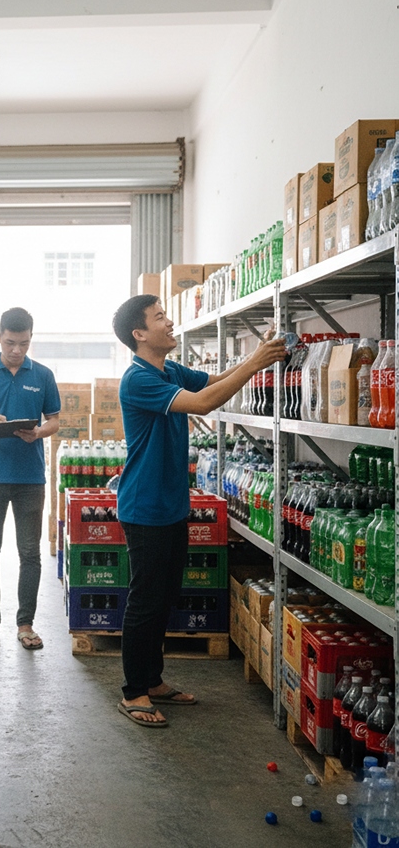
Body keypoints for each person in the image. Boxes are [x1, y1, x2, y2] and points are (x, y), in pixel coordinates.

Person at [111, 294, 285, 726]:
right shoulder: (137, 379)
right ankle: (133, 692)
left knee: (165, 596)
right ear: (139, 333)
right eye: (160, 317)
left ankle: (153, 680)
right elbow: (204, 403)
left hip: (171, 503)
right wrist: (255, 362)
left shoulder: (169, 370)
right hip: (145, 506)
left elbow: (215, 381)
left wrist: (257, 355)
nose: (169, 322)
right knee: (146, 601)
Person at [0, 307, 61, 651]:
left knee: (30, 552)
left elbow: (54, 421)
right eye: (10, 343)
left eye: (24, 343)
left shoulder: (43, 375)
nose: (17, 350)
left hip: (30, 479)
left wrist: (39, 432)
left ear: (31, 339)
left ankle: (26, 624)